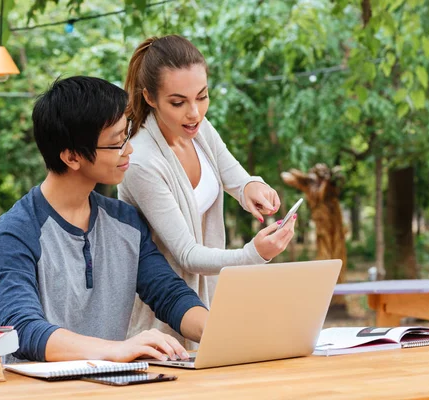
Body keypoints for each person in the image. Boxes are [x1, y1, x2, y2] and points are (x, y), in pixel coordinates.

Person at [0, 76, 208, 363]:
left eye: (126, 135)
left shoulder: (126, 220)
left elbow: (169, 294)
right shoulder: (15, 233)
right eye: (117, 142)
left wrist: (220, 331)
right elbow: (21, 330)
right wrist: (116, 349)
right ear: (72, 157)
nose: (129, 149)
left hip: (112, 386)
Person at [118, 35, 296, 348]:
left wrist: (252, 187)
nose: (195, 112)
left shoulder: (199, 129)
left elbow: (236, 178)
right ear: (149, 97)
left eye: (202, 96)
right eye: (178, 102)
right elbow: (186, 254)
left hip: (209, 305)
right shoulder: (142, 161)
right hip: (162, 318)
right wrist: (253, 255)